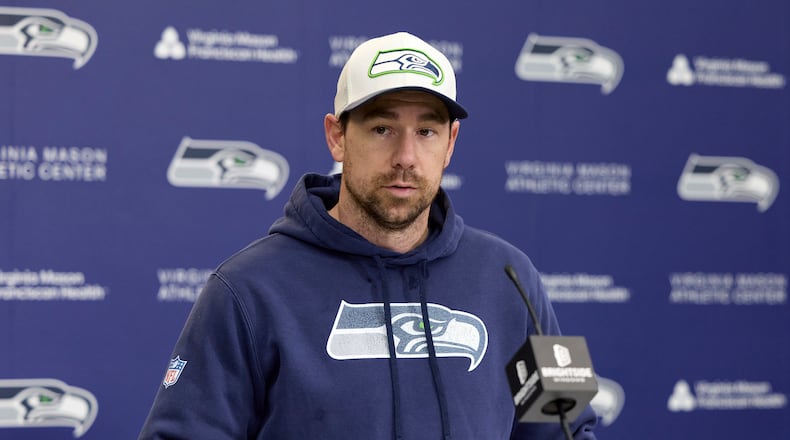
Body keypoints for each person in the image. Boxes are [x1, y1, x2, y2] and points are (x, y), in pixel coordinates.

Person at [138, 31, 598, 439]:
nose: (406, 156)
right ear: (337, 136)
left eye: (427, 131)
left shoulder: (512, 277)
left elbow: (570, 427)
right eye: (382, 128)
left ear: (451, 143)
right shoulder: (246, 290)